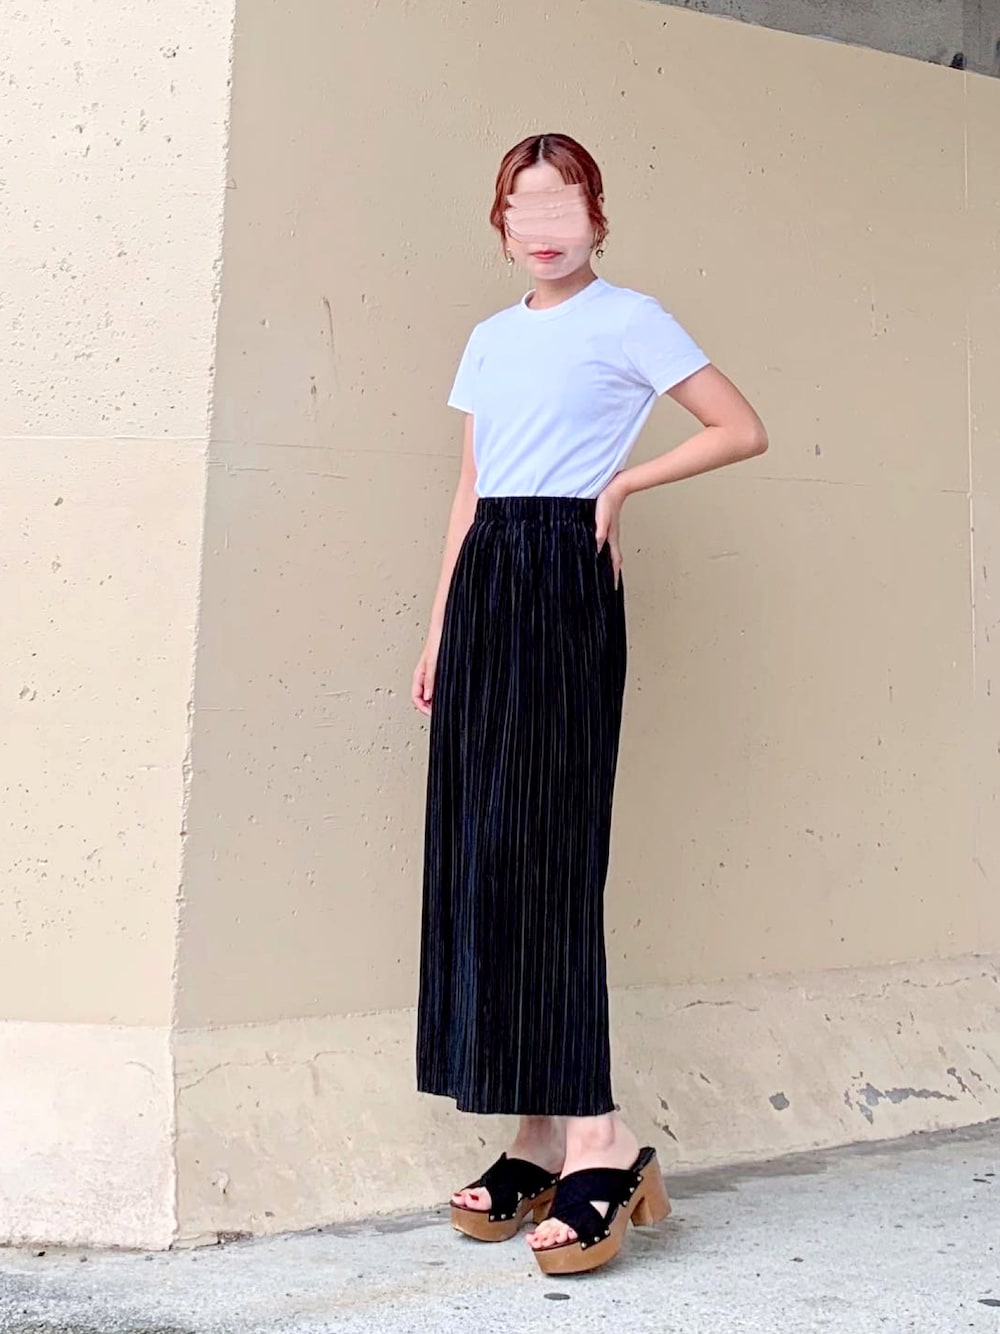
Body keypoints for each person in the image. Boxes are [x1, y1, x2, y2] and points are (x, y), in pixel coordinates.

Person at [411, 132, 768, 1275]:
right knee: (484, 854)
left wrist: (622, 483)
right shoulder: (488, 337)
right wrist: (439, 626)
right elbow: (470, 487)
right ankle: (534, 1132)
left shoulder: (630, 319)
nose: (542, 222)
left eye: (561, 200)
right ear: (502, 223)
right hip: (486, 581)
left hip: (566, 571)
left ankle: (601, 1136)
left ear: (596, 214)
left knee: (552, 853)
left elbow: (738, 425)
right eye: (521, 205)